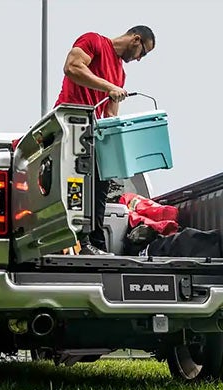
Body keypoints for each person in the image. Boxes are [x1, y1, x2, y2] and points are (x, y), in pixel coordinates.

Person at [55, 25, 156, 255]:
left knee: (100, 184)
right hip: (71, 127)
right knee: (74, 188)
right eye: (143, 52)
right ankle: (67, 240)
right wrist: (109, 87)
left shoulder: (120, 73)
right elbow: (71, 67)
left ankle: (94, 245)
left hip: (93, 135)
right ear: (135, 39)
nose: (140, 59)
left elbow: (111, 116)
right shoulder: (94, 42)